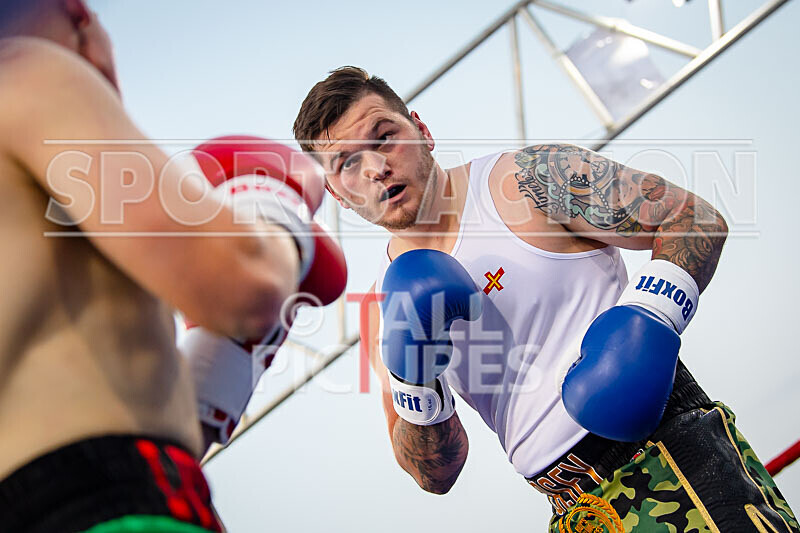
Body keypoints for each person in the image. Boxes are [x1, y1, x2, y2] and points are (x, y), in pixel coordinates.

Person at [293, 66, 799, 532]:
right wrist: (416, 379)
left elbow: (693, 220)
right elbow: (434, 472)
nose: (376, 168)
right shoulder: (383, 314)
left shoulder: (526, 181)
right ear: (337, 194)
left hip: (669, 451)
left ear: (421, 130)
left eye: (385, 137)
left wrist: (652, 316)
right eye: (347, 164)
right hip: (572, 511)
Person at [0, 2, 335, 531]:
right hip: (110, 502)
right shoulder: (27, 70)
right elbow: (247, 284)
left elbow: (70, 426)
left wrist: (222, 366)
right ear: (80, 17)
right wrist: (275, 204)